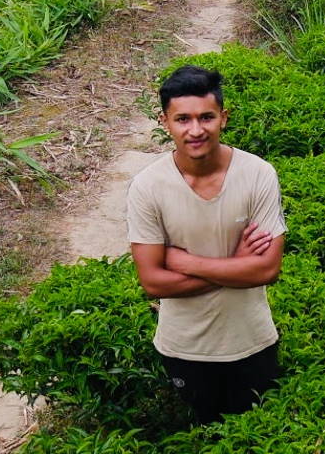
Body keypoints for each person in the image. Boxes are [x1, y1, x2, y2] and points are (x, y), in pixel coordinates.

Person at [128, 65, 286, 425]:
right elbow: (153, 283)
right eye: (182, 119)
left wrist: (185, 262)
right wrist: (236, 265)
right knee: (203, 434)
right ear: (164, 121)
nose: (195, 130)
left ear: (223, 118)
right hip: (185, 348)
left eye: (206, 117)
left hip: (253, 342)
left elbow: (267, 269)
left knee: (259, 437)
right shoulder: (148, 187)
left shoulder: (259, 174)